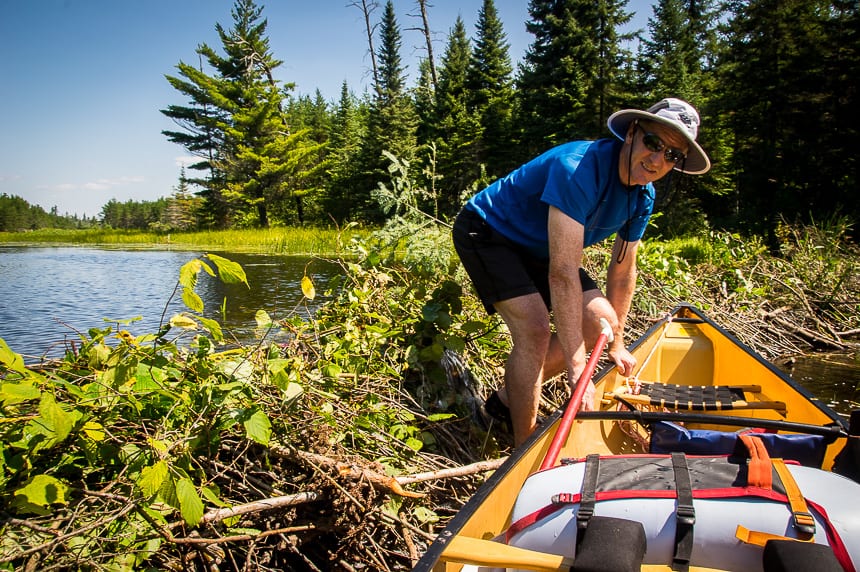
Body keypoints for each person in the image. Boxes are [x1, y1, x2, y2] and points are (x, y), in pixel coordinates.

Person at [452, 98, 711, 446]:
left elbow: (622, 268)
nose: (657, 160)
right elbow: (561, 272)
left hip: (539, 244)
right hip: (489, 231)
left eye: (672, 155)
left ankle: (507, 401)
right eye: (653, 143)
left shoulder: (642, 197)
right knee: (535, 330)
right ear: (632, 132)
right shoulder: (578, 168)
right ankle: (522, 446)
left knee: (601, 321)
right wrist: (576, 365)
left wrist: (616, 343)